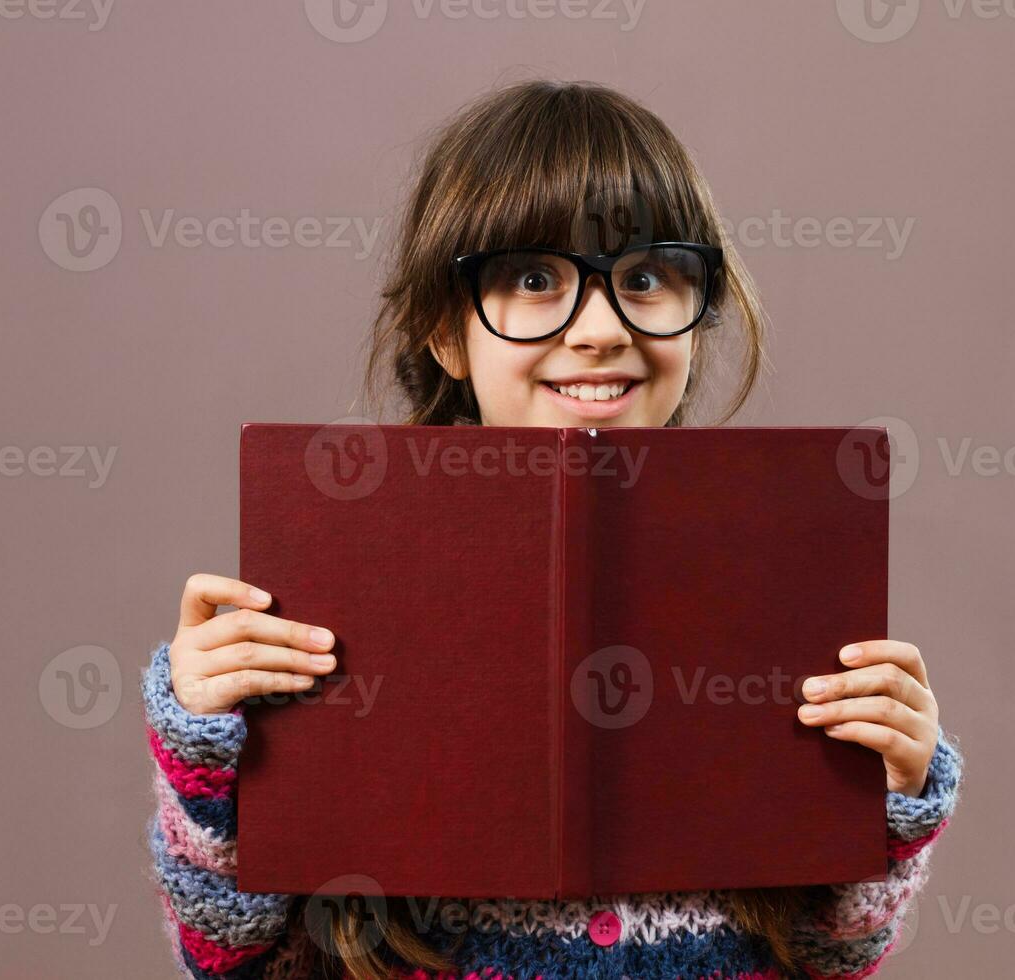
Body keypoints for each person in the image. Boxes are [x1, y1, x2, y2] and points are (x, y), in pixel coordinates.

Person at [142, 78, 964, 980]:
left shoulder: (772, 576)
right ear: (444, 334)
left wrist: (890, 790)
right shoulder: (334, 579)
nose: (601, 329)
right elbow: (226, 956)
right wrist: (205, 736)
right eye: (535, 280)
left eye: (647, 277)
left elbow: (832, 956)